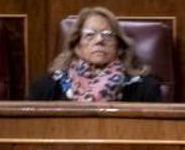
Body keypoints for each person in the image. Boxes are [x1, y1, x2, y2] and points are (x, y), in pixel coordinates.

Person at [28, 6, 162, 102]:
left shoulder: (145, 88)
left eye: (107, 35)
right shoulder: (46, 87)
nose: (99, 40)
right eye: (89, 35)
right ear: (77, 47)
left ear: (119, 47)